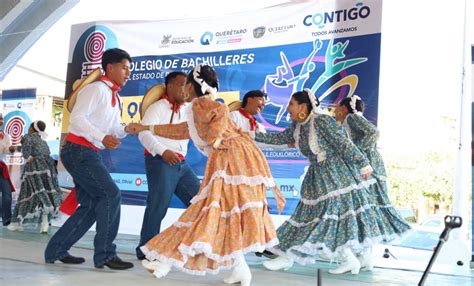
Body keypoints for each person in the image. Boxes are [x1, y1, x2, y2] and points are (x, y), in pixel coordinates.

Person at [134, 64, 285, 286]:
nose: (183, 87)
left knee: (208, 211)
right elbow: (185, 130)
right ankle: (240, 269)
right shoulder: (196, 107)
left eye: (185, 82)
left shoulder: (203, 105)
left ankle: (164, 262)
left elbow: (219, 114)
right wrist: (147, 129)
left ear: (191, 85)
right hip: (229, 158)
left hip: (231, 159)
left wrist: (214, 137)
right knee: (221, 214)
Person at [254, 89, 406, 275]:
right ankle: (291, 256)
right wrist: (250, 135)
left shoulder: (322, 121)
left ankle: (339, 259)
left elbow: (344, 144)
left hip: (335, 176)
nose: (288, 109)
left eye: (291, 104)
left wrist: (363, 163)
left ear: (303, 106)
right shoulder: (298, 127)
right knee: (310, 218)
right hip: (316, 179)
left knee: (331, 218)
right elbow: (277, 139)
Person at [44, 48, 137, 270]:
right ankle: (105, 255)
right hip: (79, 150)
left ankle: (56, 250)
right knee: (111, 194)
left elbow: (113, 126)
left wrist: (127, 129)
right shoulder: (95, 89)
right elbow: (77, 119)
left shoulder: (115, 96)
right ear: (111, 67)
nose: (128, 73)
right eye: (124, 68)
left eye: (129, 69)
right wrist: (102, 137)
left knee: (90, 205)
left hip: (85, 152)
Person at [334, 95, 411, 269]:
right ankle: (364, 256)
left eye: (338, 106)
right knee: (365, 209)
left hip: (368, 169)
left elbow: (374, 133)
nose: (335, 110)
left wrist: (359, 150)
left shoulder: (352, 118)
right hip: (370, 167)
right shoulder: (349, 121)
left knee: (359, 207)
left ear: (346, 108)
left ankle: (359, 256)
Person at [135, 71, 200, 260]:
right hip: (160, 160)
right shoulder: (157, 107)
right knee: (158, 205)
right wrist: (163, 151)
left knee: (198, 202)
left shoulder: (189, 109)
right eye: (181, 84)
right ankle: (146, 250)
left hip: (181, 162)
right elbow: (143, 134)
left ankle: (197, 247)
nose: (185, 88)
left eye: (187, 85)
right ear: (169, 86)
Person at [7, 121, 62, 233]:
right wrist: (18, 149)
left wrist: (25, 155)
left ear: (32, 128)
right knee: (43, 194)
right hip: (47, 169)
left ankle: (16, 223)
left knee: (26, 194)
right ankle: (44, 222)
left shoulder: (28, 137)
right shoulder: (42, 140)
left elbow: (26, 152)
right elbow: (34, 150)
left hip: (34, 169)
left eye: (30, 126)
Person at [0, 113, 15, 226]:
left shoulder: (5, 136)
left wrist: (12, 149)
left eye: (1, 119)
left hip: (1, 167)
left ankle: (6, 218)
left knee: (7, 193)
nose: (1, 121)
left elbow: (7, 149)